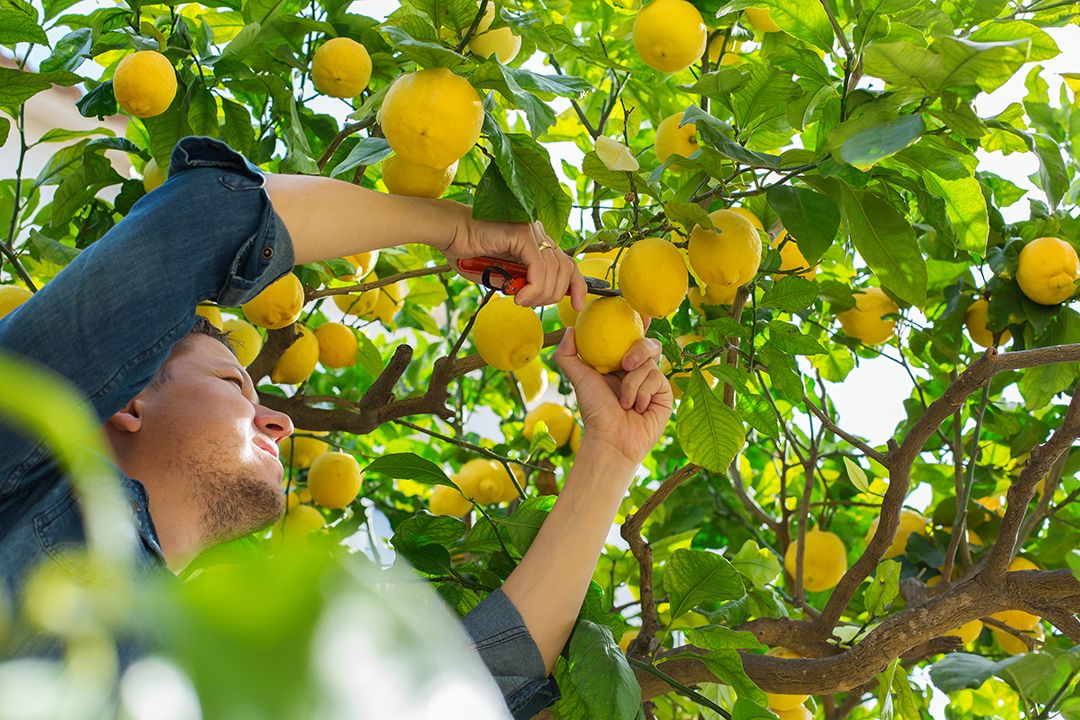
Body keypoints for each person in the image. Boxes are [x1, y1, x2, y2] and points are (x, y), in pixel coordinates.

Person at [0, 137, 672, 718]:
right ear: (128, 400)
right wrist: (455, 228)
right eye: (234, 384)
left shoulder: (217, 678)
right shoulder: (19, 443)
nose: (281, 420)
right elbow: (206, 221)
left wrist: (611, 450)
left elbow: (468, 690)